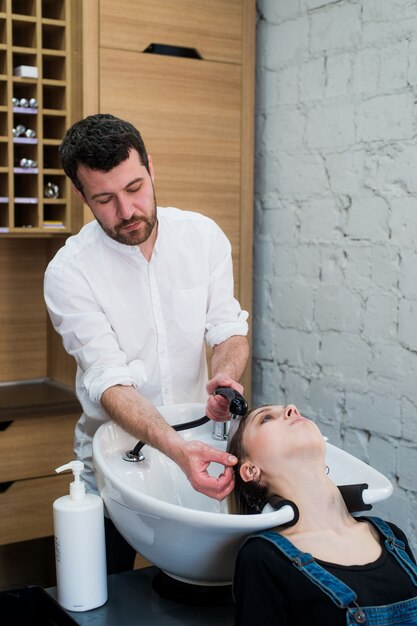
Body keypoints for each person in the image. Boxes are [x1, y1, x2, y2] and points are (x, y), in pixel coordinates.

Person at [44, 113, 249, 572]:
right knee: (104, 596)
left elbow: (228, 329)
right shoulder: (69, 271)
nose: (127, 211)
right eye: (105, 199)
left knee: (205, 591)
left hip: (203, 444)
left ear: (150, 168)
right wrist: (175, 452)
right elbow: (109, 381)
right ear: (82, 196)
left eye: (135, 188)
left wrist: (225, 374)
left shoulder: (202, 237)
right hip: (115, 460)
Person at [228, 404, 417, 626]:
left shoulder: (391, 537)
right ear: (250, 470)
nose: (292, 408)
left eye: (290, 408)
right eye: (267, 418)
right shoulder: (263, 559)